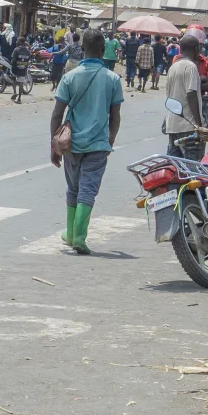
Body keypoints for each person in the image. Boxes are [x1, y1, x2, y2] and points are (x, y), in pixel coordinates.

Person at [49, 29, 125, 255]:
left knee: (73, 188)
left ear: (82, 50)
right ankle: (79, 237)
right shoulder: (113, 79)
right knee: (88, 190)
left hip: (71, 144)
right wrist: (109, 141)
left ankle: (71, 234)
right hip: (98, 144)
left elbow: (56, 115)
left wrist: (54, 145)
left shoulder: (69, 77)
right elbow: (116, 117)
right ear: (104, 51)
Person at [164, 33, 205, 159]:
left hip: (173, 125)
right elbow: (191, 94)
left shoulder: (173, 67)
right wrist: (199, 125)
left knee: (176, 169)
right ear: (196, 49)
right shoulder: (191, 66)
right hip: (189, 126)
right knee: (192, 170)